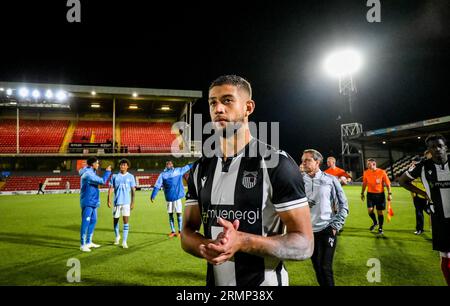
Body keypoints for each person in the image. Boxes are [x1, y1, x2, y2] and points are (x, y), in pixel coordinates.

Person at [181, 75, 314, 286]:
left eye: (227, 100)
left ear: (248, 107)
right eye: (213, 102)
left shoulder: (276, 163)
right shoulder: (200, 168)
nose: (218, 109)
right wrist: (206, 246)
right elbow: (187, 232)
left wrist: (243, 241)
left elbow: (305, 244)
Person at [399, 134, 450, 286]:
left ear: (445, 147)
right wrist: (424, 194)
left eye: (440, 146)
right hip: (439, 217)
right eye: (433, 147)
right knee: (446, 256)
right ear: (429, 150)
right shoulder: (422, 167)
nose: (437, 149)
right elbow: (402, 180)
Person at [301, 149, 348, 286]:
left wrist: (335, 226)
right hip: (308, 231)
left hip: (327, 228)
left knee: (325, 267)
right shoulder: (299, 180)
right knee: (317, 267)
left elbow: (343, 204)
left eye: (307, 160)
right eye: (303, 160)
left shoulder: (330, 180)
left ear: (318, 162)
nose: (304, 163)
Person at [151, 161, 192, 237]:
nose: (169, 165)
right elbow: (157, 185)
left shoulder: (178, 171)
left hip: (177, 198)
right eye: (167, 164)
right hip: (169, 198)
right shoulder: (162, 175)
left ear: (172, 164)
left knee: (179, 214)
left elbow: (188, 166)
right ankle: (173, 231)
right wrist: (153, 195)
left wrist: (197, 162)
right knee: (170, 214)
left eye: (170, 163)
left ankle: (180, 231)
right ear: (166, 165)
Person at [79, 156, 111, 252]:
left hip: (93, 201)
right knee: (86, 221)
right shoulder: (88, 174)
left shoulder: (91, 172)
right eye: (97, 163)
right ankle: (82, 244)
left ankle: (89, 242)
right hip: (88, 201)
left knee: (93, 220)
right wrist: (108, 172)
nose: (98, 165)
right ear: (92, 164)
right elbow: (102, 181)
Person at [108, 159, 136, 248]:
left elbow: (133, 191)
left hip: (126, 203)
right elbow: (111, 188)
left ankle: (124, 241)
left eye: (124, 165)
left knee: (125, 221)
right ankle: (117, 236)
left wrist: (132, 202)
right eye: (121, 165)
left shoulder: (131, 177)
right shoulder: (114, 176)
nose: (122, 166)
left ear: (127, 166)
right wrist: (108, 199)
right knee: (115, 220)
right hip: (117, 202)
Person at [361, 158, 392, 236]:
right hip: (370, 195)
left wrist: (389, 193)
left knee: (379, 212)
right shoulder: (366, 172)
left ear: (374, 164)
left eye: (369, 164)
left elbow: (388, 184)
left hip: (380, 195)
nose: (367, 165)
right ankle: (375, 222)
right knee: (370, 211)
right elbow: (364, 183)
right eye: (367, 164)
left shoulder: (382, 172)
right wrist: (362, 193)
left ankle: (380, 228)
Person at [408, 150, 432, 235]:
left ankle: (434, 229)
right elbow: (410, 183)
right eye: (412, 162)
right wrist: (413, 195)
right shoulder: (411, 170)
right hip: (416, 196)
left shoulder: (423, 169)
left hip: (425, 196)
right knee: (418, 213)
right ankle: (419, 229)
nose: (412, 164)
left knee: (431, 213)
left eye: (414, 162)